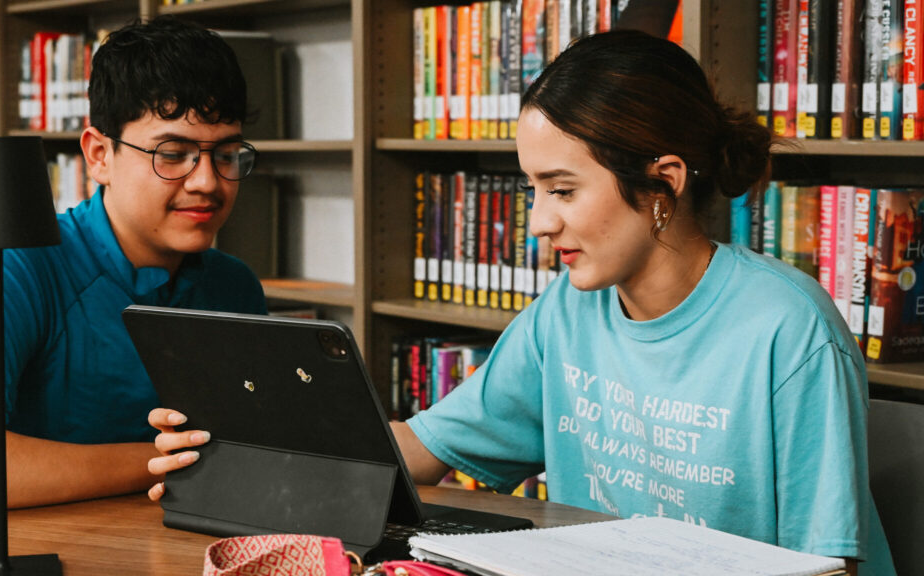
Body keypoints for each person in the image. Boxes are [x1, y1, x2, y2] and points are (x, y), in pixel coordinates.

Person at [147, 30, 894, 575]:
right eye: (533, 190)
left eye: (562, 190)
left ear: (663, 181)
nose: (538, 221)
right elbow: (419, 452)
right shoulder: (567, 313)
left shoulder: (788, 332)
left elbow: (829, 565)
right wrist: (246, 451)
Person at [0, 15, 267, 516]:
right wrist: (157, 461)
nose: (208, 181)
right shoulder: (14, 268)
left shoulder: (234, 287)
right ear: (99, 155)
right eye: (173, 153)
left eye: (226, 154)